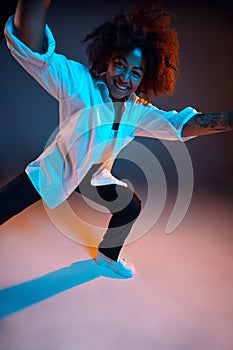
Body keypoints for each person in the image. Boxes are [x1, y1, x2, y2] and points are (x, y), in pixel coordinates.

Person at [1, 0, 232, 278]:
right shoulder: (78, 82)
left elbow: (179, 126)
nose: (125, 78)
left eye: (136, 72)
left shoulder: (137, 111)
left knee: (129, 207)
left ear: (145, 77)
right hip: (58, 170)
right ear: (108, 60)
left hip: (93, 178)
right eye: (120, 65)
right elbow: (35, 51)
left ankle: (108, 257)